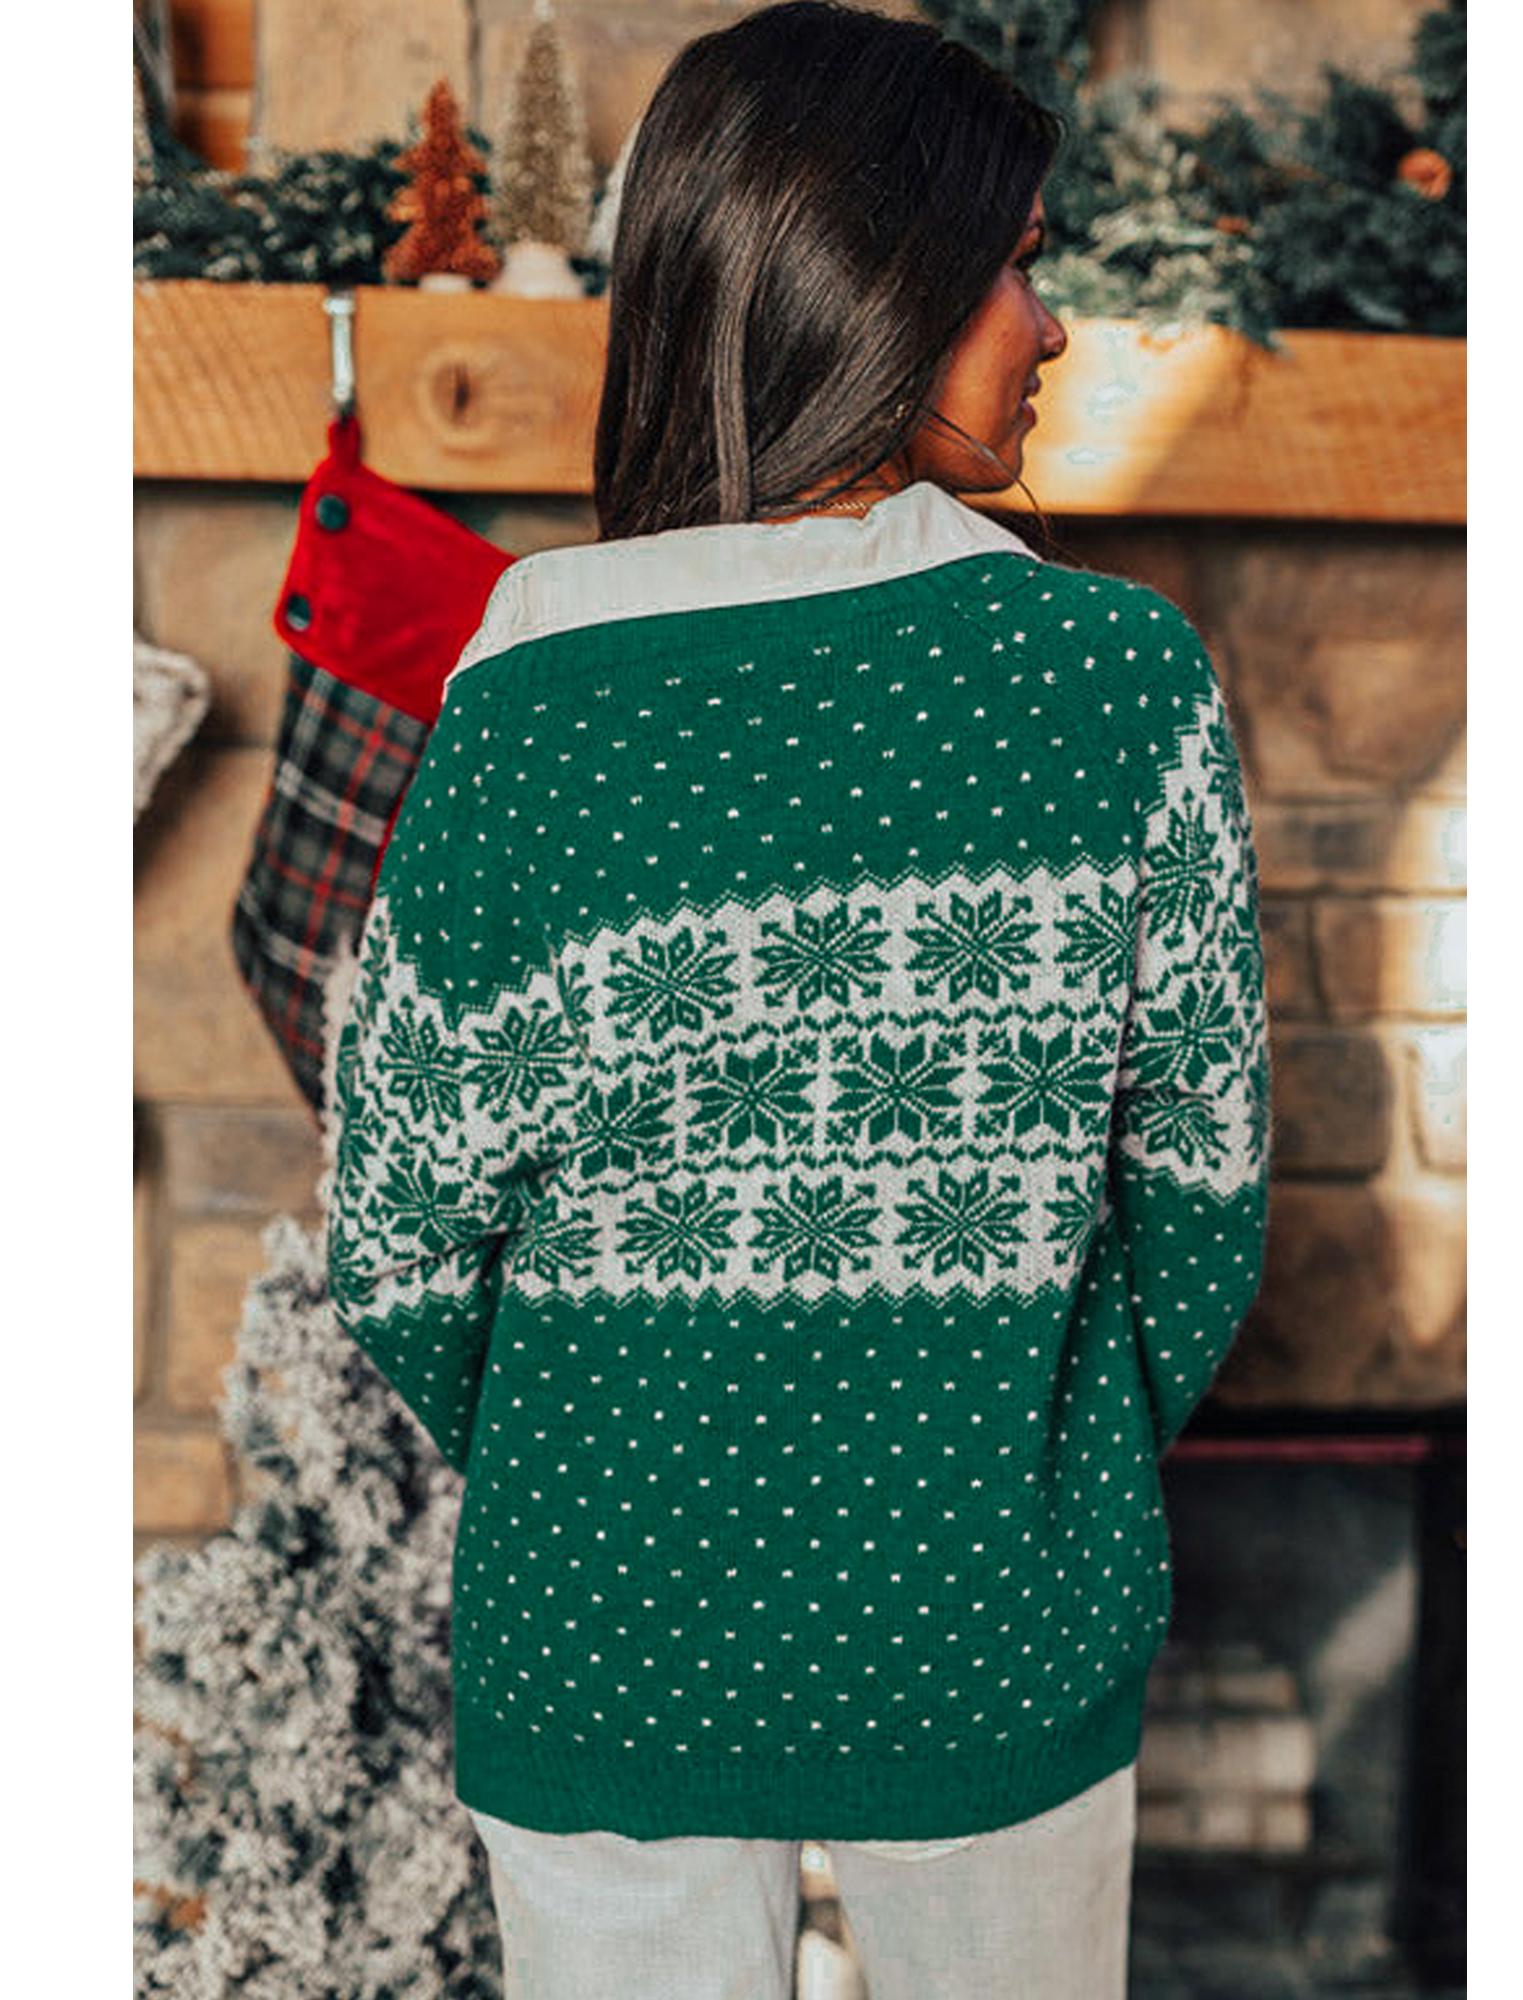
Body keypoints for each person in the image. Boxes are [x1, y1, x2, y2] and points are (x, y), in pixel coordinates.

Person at [324, 3, 1272, 1994]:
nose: (1048, 327)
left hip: (605, 1625)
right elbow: (1197, 1195)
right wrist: (1009, 1436)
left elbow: (399, 1236)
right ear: (879, 281)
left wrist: (618, 1435)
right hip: (991, 1611)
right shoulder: (1115, 684)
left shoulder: (522, 709)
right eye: (1015, 266)